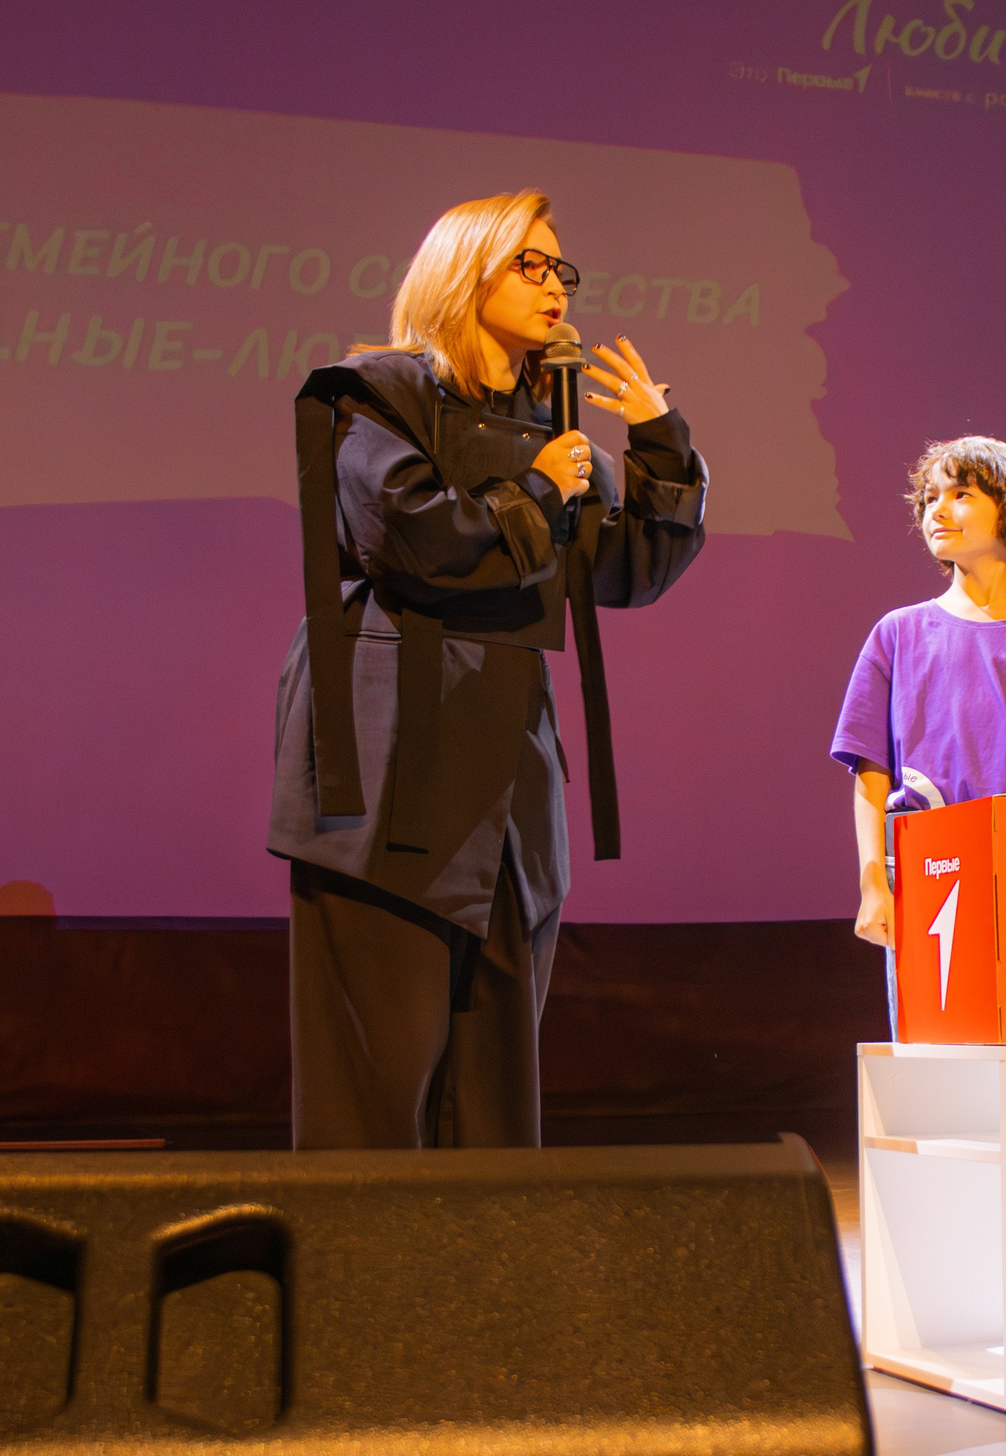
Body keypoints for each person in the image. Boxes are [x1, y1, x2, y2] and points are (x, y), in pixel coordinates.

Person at [270, 190, 707, 1149]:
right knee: (379, 1089)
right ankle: (362, 1291)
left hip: (511, 785)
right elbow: (416, 537)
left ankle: (488, 1294)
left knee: (494, 1096)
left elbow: (621, 571)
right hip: (396, 776)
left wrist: (660, 443)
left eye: (563, 269)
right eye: (530, 264)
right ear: (465, 272)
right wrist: (543, 484)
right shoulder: (378, 394)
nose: (556, 286)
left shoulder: (550, 431)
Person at [830, 437, 1006, 954]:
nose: (937, 509)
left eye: (960, 493)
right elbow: (870, 777)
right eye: (928, 498)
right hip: (925, 876)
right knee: (939, 1033)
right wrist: (873, 884)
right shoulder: (897, 635)